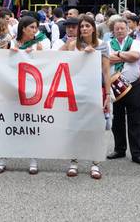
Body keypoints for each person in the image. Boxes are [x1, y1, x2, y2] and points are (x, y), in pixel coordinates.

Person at [0, 16, 52, 175]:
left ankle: (33, 159)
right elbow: (1, 65)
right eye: (32, 27)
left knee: (31, 125)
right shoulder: (11, 43)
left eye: (36, 28)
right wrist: (9, 54)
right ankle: (3, 158)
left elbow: (47, 64)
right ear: (23, 28)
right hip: (12, 90)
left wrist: (36, 54)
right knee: (8, 124)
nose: (35, 31)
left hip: (32, 92)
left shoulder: (41, 43)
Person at [59, 14, 112, 179]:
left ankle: (95, 163)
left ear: (93, 28)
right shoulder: (73, 44)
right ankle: (73, 161)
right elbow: (61, 62)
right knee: (75, 127)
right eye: (81, 27)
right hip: (76, 91)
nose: (84, 29)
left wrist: (108, 94)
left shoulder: (103, 45)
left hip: (96, 91)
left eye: (87, 26)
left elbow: (106, 71)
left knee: (95, 127)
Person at [106, 18, 140, 166]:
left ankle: (137, 153)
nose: (120, 31)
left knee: (135, 119)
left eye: (122, 28)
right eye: (117, 28)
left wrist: (116, 55)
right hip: (115, 84)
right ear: (113, 30)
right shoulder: (108, 44)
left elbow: (135, 56)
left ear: (128, 29)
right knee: (117, 119)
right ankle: (119, 149)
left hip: (133, 85)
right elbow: (106, 60)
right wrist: (124, 55)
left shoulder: (135, 42)